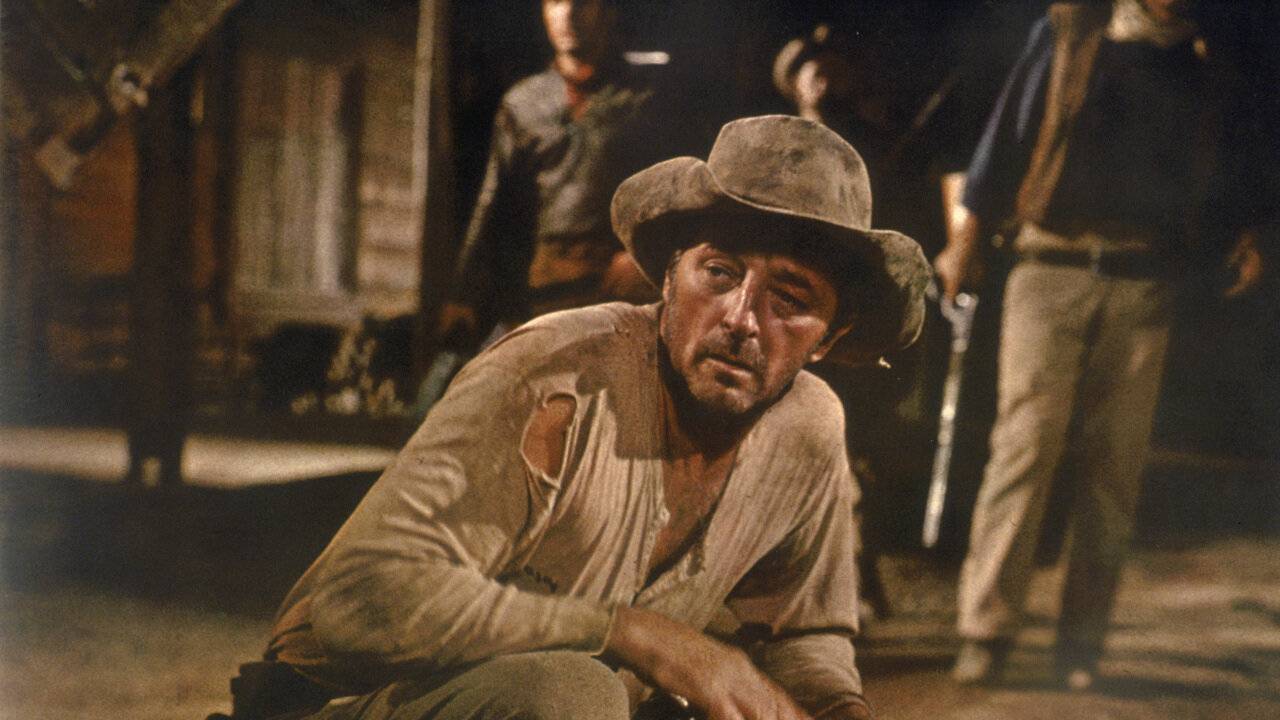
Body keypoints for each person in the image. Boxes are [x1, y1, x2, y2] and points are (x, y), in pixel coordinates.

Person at [240, 116, 929, 720]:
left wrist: (837, 708)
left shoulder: (808, 429)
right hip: (336, 703)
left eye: (790, 299)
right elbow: (360, 599)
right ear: (669, 277)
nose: (741, 319)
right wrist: (633, 634)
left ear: (830, 338)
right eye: (719, 273)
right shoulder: (554, 372)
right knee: (570, 693)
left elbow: (802, 636)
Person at [934, 0, 1269, 690]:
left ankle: (1080, 647)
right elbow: (1005, 138)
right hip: (1049, 267)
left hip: (1144, 281)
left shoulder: (1204, 58)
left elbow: (1233, 163)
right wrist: (966, 241)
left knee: (1114, 466)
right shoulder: (1072, 30)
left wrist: (1247, 235)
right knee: (1026, 446)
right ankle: (986, 630)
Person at [438, 0, 666, 345]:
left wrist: (644, 256)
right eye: (556, 2)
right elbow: (494, 201)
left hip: (616, 287)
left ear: (608, 10)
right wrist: (463, 295)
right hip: (542, 286)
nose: (568, 15)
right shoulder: (524, 103)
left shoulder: (646, 102)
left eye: (582, 3)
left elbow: (675, 193)